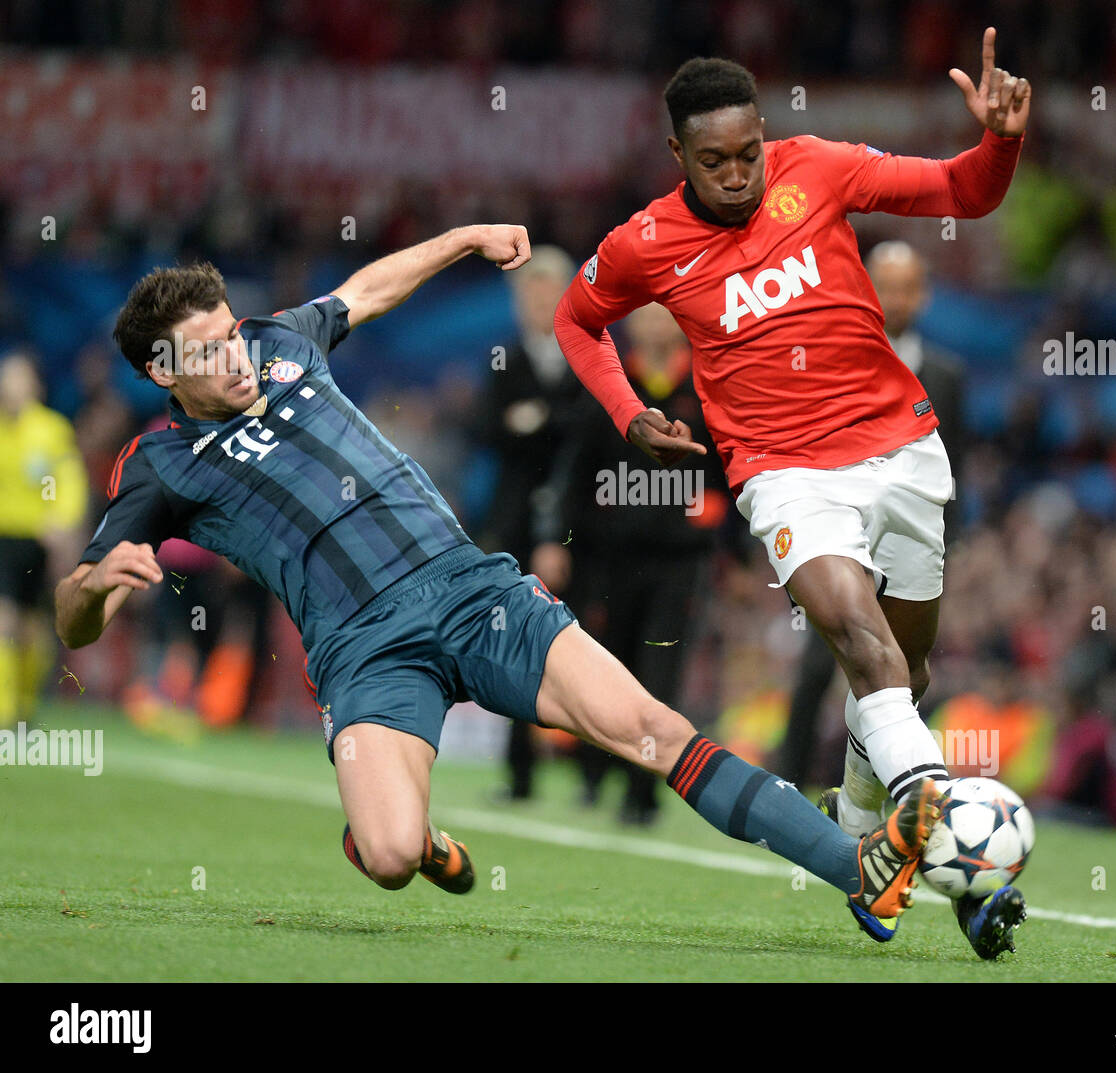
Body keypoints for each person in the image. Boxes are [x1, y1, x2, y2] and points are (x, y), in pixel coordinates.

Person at [53, 225, 942, 934]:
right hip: (364, 653)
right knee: (393, 853)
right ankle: (410, 835)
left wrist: (461, 239)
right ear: (162, 373)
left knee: (654, 729)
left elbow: (367, 289)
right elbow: (72, 617)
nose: (234, 356)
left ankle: (853, 867)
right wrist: (95, 589)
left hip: (474, 592)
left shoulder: (280, 340)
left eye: (228, 332)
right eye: (206, 353)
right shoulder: (160, 467)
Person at [553, 28, 1030, 957]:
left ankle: (858, 836)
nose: (736, 175)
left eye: (747, 153)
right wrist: (627, 411)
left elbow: (963, 192)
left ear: (767, 136)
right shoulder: (643, 243)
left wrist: (999, 141)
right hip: (783, 474)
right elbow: (578, 321)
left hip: (901, 449)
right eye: (713, 160)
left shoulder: (821, 168)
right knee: (862, 643)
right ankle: (943, 837)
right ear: (677, 156)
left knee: (903, 673)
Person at [777, 241, 968, 789]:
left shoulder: (947, 376)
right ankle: (792, 778)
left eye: (907, 288)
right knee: (823, 664)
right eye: (884, 285)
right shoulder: (828, 362)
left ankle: (877, 789)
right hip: (837, 531)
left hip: (912, 536)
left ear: (924, 296)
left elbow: (959, 465)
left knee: (908, 670)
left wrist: (956, 538)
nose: (895, 299)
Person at [532, 302, 730, 824]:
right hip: (609, 559)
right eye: (643, 317)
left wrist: (726, 539)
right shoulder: (610, 385)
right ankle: (593, 776)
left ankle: (643, 791)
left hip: (680, 563)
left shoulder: (709, 385)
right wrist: (556, 539)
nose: (653, 326)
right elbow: (575, 469)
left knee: (661, 673)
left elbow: (731, 467)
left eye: (663, 316)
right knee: (604, 668)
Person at [474, 245, 589, 802]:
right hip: (514, 522)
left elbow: (589, 431)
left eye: (548, 291)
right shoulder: (504, 357)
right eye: (530, 292)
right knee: (516, 645)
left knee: (589, 642)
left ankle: (595, 774)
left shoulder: (589, 354)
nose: (538, 302)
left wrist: (535, 420)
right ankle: (520, 773)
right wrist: (546, 423)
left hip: (582, 522)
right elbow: (487, 429)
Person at [0, 351, 89, 726]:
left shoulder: (51, 431)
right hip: (3, 537)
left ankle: (24, 703)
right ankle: (5, 711)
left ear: (34, 386)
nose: (9, 386)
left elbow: (68, 482)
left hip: (36, 542)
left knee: (33, 627)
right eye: (6, 378)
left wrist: (60, 520)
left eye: (17, 378)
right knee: (4, 620)